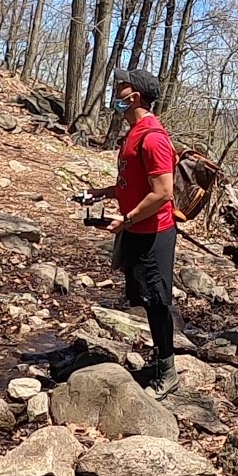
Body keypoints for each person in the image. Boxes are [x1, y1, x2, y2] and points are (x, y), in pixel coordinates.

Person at [89, 67, 180, 399]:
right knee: (145, 299)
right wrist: (101, 192)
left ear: (135, 97)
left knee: (158, 303)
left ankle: (168, 372)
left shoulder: (154, 138)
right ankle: (160, 361)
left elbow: (163, 193)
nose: (117, 93)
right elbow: (134, 183)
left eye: (122, 88)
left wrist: (125, 220)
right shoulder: (134, 133)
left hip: (154, 233)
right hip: (137, 229)